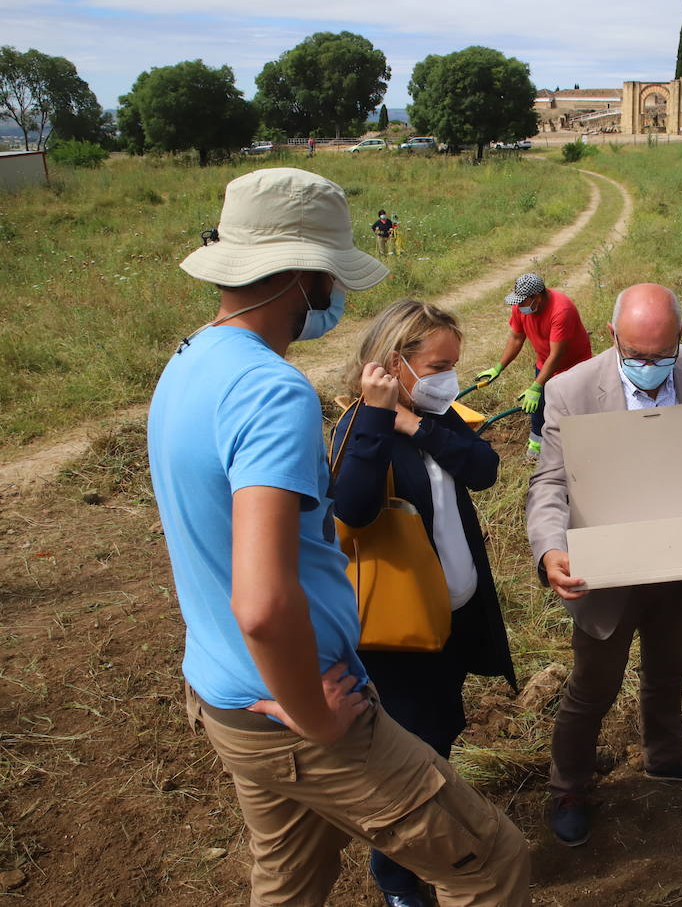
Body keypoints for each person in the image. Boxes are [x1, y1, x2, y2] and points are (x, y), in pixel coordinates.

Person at [147, 167, 530, 907]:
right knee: (491, 863)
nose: (338, 295)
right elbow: (264, 601)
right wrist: (317, 715)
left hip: (227, 694)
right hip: (298, 703)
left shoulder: (189, 362)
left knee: (289, 883)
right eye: (333, 275)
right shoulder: (272, 390)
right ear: (303, 275)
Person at [525, 283, 682, 847]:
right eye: (635, 355)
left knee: (668, 670)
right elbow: (550, 482)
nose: (648, 366)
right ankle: (569, 785)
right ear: (612, 336)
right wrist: (549, 550)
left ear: (681, 338)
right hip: (606, 569)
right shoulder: (571, 388)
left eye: (661, 356)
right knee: (592, 685)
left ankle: (665, 753)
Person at [331, 299, 519, 907]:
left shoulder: (437, 413)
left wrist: (420, 424)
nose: (450, 377)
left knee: (440, 730)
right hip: (400, 629)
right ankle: (396, 873)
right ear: (394, 363)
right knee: (414, 748)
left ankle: (418, 851)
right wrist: (383, 421)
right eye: (438, 364)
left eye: (454, 364)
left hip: (453, 615)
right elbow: (354, 508)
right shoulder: (356, 428)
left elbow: (484, 468)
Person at [475, 272, 593, 460]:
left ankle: (577, 445)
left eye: (522, 301)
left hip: (574, 365)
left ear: (537, 297)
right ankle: (537, 443)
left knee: (573, 405)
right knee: (538, 405)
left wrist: (536, 385)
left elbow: (557, 355)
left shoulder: (562, 310)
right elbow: (516, 338)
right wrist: (498, 368)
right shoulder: (521, 308)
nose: (518, 305)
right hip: (544, 361)